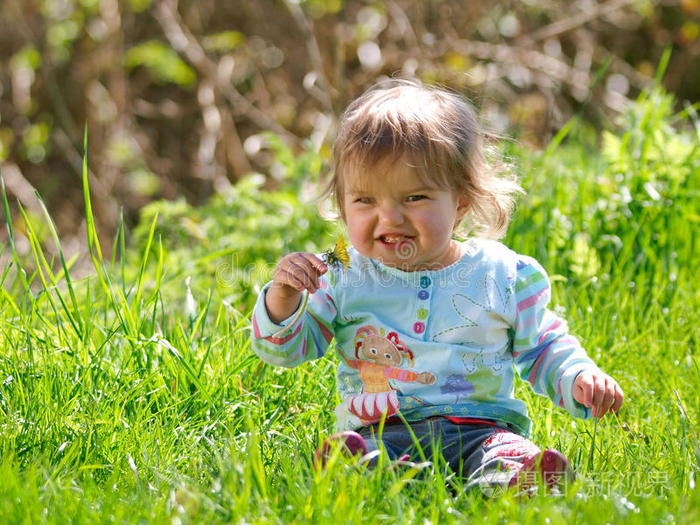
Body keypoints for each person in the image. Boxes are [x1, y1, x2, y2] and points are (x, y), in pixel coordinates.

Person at [250, 79, 624, 493]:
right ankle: (357, 473)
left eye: (414, 198)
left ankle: (520, 482)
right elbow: (285, 351)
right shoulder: (340, 272)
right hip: (383, 430)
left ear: (460, 201)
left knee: (505, 455)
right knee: (368, 460)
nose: (389, 218)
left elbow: (542, 346)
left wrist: (577, 375)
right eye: (365, 201)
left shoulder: (500, 273)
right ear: (342, 204)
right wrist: (283, 298)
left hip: (481, 428)